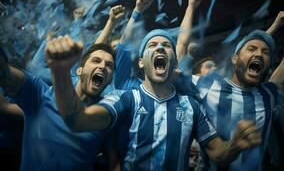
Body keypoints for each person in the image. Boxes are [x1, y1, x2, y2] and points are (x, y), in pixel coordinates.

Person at [49, 29, 262, 170]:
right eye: (152, 45)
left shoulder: (191, 106)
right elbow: (79, 119)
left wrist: (234, 145)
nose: (160, 47)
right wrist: (60, 73)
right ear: (141, 62)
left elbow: (217, 152)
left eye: (166, 45)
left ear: (174, 61)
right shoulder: (125, 99)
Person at [181, 21, 284, 171]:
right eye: (252, 49)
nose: (259, 54)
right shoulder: (208, 85)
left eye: (266, 52)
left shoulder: (267, 95)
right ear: (235, 59)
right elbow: (173, 73)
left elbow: (278, 81)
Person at [0, 38, 119, 171]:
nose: (103, 66)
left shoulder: (104, 118)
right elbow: (4, 74)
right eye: (96, 60)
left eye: (109, 65)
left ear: (109, 81)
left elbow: (114, 163)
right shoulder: (41, 95)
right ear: (79, 71)